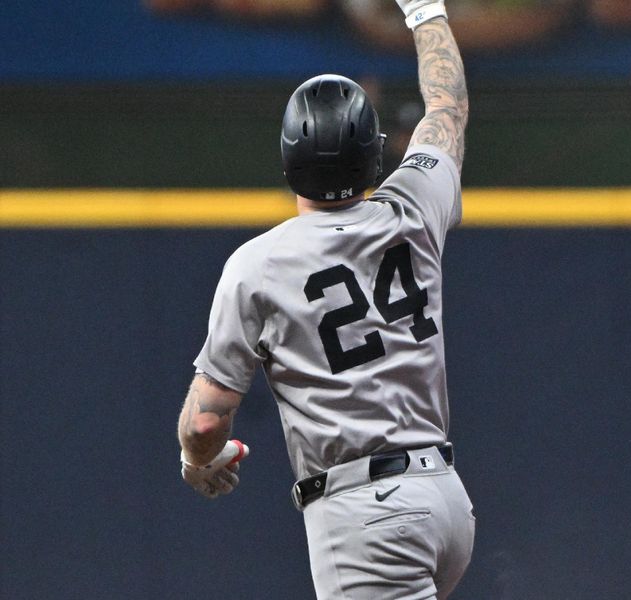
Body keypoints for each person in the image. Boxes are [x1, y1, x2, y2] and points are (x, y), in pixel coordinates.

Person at [176, 1, 474, 598]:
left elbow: (207, 420)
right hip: (443, 497)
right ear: (375, 152)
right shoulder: (410, 209)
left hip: (369, 513)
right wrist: (424, 10)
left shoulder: (257, 266)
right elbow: (447, 108)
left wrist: (196, 458)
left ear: (288, 158)